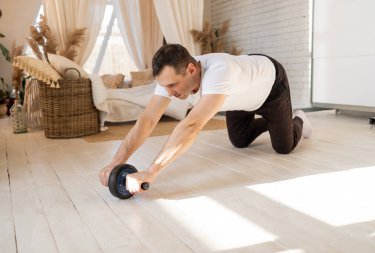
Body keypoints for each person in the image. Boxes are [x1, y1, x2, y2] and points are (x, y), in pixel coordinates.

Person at [98, 44, 312, 194]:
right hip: (239, 98)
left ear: (191, 69)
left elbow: (191, 126)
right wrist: (116, 162)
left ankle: (297, 118)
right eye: (165, 86)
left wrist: (150, 172)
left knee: (284, 146)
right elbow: (147, 120)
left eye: (172, 85)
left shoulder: (220, 71)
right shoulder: (169, 78)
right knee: (240, 140)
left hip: (270, 87)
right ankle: (274, 122)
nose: (169, 92)